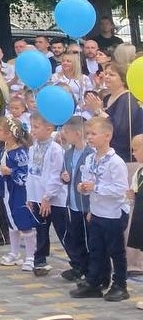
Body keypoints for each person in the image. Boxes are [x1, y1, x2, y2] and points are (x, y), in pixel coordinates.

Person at [70, 116, 130, 301]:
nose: (89, 137)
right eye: (88, 133)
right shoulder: (90, 159)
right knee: (96, 249)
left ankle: (120, 285)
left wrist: (95, 188)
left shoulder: (115, 162)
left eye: (93, 134)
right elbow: (87, 181)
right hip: (97, 211)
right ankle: (95, 281)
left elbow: (120, 190)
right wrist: (83, 188)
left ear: (107, 136)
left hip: (113, 213)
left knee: (116, 251)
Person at [0, 116, 35, 270]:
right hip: (7, 192)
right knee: (11, 221)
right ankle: (14, 252)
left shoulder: (20, 153)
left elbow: (25, 174)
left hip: (19, 192)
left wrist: (11, 172)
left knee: (24, 221)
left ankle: (31, 255)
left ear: (9, 134)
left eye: (0, 130)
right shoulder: (3, 150)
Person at [84, 63, 143, 162]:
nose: (106, 77)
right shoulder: (107, 98)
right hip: (108, 151)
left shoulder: (127, 99)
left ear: (123, 80)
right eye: (106, 73)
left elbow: (119, 129)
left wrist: (99, 111)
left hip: (124, 154)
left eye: (111, 75)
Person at [60, 116, 93, 283]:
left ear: (77, 133)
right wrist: (64, 177)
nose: (64, 135)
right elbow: (65, 174)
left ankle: (90, 271)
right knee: (76, 236)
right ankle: (79, 266)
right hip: (72, 202)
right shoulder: (68, 153)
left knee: (89, 239)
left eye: (67, 132)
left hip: (85, 204)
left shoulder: (90, 153)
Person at [127, 134, 143, 308]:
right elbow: (134, 192)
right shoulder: (139, 172)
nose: (133, 153)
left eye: (136, 149)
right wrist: (131, 194)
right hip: (140, 217)